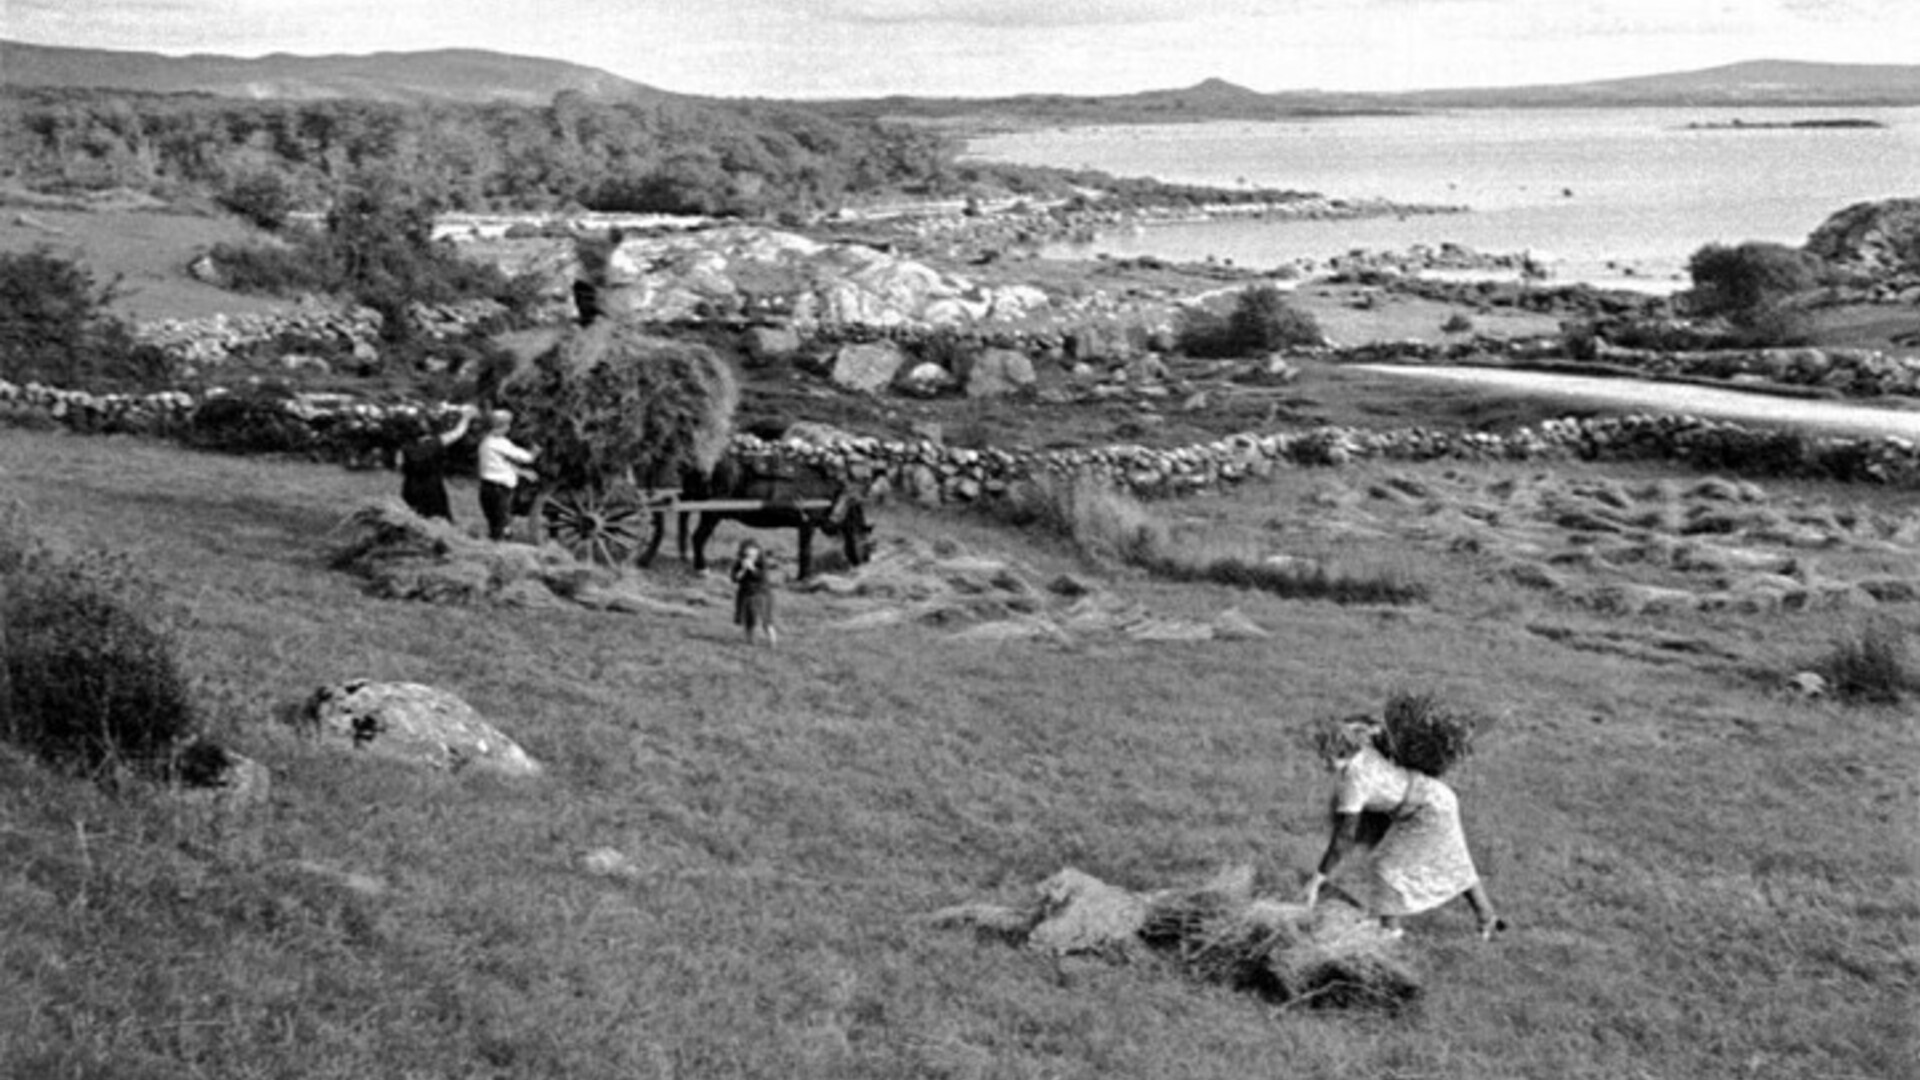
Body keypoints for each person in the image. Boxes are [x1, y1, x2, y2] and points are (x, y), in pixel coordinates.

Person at [1301, 716, 1507, 941]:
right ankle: (1487, 917)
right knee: (1454, 858)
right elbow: (1368, 726)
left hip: (1428, 810)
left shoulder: (1354, 783)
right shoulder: (1365, 750)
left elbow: (1344, 837)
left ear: (1341, 752)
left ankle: (1390, 931)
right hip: (1437, 796)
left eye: (1326, 757)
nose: (1323, 763)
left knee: (1385, 865)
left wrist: (1315, 882)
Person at [396, 404, 474, 522]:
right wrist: (466, 418)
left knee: (412, 519)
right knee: (437, 519)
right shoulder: (436, 443)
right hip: (432, 488)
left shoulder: (403, 447)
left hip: (410, 487)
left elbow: (399, 466)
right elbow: (458, 433)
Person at [476, 408, 538, 542]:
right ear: (503, 426)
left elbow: (501, 465)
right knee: (502, 520)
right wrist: (534, 452)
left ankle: (497, 540)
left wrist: (521, 472)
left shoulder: (485, 442)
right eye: (507, 425)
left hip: (486, 487)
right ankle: (501, 544)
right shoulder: (500, 443)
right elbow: (525, 457)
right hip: (500, 490)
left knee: (495, 521)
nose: (509, 428)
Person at [730, 538, 778, 647]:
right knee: (749, 619)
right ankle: (750, 642)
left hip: (762, 594)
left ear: (758, 552)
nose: (750, 556)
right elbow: (735, 579)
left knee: (766, 620)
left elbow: (763, 578)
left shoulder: (762, 563)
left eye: (753, 553)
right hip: (746, 594)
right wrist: (743, 569)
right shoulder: (739, 563)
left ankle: (772, 642)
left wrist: (752, 568)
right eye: (747, 553)